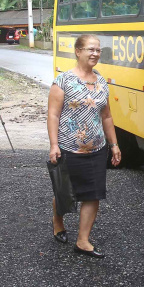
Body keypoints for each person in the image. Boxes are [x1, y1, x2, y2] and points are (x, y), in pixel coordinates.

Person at [47, 34, 121, 257]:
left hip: (97, 149)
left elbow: (106, 116)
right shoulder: (63, 81)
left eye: (98, 50)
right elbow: (53, 115)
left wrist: (114, 144)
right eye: (91, 49)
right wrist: (54, 145)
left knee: (93, 194)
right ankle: (58, 221)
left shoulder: (101, 81)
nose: (95, 53)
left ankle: (83, 241)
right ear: (78, 51)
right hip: (69, 148)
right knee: (65, 193)